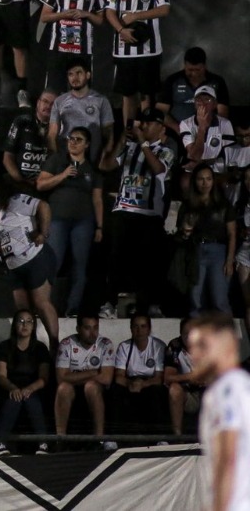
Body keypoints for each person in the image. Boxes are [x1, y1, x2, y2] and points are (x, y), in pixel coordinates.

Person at [100, 109, 178, 318]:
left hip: (149, 213)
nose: (143, 126)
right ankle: (109, 303)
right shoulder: (130, 145)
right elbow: (105, 165)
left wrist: (143, 142)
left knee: (147, 263)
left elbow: (159, 170)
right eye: (142, 123)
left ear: (161, 127)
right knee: (115, 258)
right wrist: (120, 141)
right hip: (124, 209)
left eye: (148, 123)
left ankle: (149, 305)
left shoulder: (167, 147)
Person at [0, 176, 60, 347]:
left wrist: (43, 232)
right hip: (14, 268)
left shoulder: (17, 201)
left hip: (34, 258)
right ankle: (28, 347)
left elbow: (43, 206)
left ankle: (55, 344)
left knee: (41, 303)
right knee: (23, 311)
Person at [37, 125, 105, 317]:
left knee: (80, 265)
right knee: (52, 263)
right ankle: (43, 307)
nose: (73, 142)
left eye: (78, 139)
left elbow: (97, 199)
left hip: (83, 222)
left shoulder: (91, 169)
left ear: (87, 144)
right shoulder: (57, 161)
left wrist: (100, 226)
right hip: (57, 219)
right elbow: (41, 184)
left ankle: (73, 308)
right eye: (70, 138)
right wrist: (63, 175)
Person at [104, 0, 172, 127]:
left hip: (149, 48)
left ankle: (147, 130)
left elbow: (165, 9)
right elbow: (109, 11)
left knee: (147, 94)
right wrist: (121, 30)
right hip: (124, 46)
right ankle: (129, 131)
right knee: (127, 94)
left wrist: (136, 16)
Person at [191, 310, 250, 508]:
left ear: (229, 344)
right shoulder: (240, 385)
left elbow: (228, 458)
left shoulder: (227, 389)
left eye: (203, 345)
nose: (195, 354)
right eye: (192, 347)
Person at [37, 0, 106, 93]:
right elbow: (44, 17)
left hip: (82, 49)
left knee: (82, 91)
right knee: (54, 90)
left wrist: (86, 14)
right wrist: (63, 14)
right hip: (58, 48)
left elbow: (100, 20)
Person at [179, 164, 237, 315]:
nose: (205, 183)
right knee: (195, 299)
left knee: (219, 299)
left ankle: (227, 336)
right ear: (195, 181)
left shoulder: (223, 204)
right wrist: (186, 230)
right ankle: (197, 336)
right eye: (200, 179)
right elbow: (182, 234)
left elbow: (232, 233)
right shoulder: (189, 204)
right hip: (196, 251)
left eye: (208, 179)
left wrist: (230, 260)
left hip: (218, 251)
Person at [54, 314, 118, 451]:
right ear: (78, 328)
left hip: (96, 388)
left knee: (91, 386)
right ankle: (60, 439)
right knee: (63, 388)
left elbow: (106, 378)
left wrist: (74, 375)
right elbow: (61, 378)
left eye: (95, 328)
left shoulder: (105, 344)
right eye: (87, 328)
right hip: (74, 387)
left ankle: (99, 438)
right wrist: (93, 372)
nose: (92, 333)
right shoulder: (66, 344)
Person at [0, 308, 52, 454]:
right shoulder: (4, 347)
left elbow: (44, 378)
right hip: (10, 388)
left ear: (34, 326)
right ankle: (0, 444)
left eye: (29, 322)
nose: (24, 325)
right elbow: (1, 376)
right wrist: (13, 388)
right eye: (21, 321)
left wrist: (30, 389)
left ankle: (43, 444)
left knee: (31, 399)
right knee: (14, 399)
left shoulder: (40, 348)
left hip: (34, 388)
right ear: (15, 325)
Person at [48, 58, 118, 166]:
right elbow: (52, 134)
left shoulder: (101, 101)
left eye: (78, 73)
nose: (74, 78)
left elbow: (108, 132)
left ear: (88, 75)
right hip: (65, 158)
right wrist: (55, 160)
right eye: (70, 74)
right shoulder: (59, 101)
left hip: (91, 158)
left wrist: (103, 158)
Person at [111, 313, 170, 436]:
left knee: (157, 392)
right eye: (136, 327)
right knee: (115, 391)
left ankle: (160, 437)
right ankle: (113, 437)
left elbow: (159, 378)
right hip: (131, 381)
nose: (139, 330)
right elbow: (119, 376)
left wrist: (143, 384)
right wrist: (130, 383)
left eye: (143, 326)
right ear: (131, 329)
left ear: (149, 329)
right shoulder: (124, 347)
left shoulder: (158, 346)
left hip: (150, 382)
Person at [158, 47, 232, 128]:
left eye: (197, 70)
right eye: (190, 70)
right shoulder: (172, 80)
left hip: (210, 130)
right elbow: (161, 111)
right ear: (185, 65)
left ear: (204, 66)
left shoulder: (217, 82)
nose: (194, 74)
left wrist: (210, 130)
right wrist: (179, 130)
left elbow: (222, 113)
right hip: (176, 131)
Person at [164, 316, 207, 439]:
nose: (189, 337)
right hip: (185, 391)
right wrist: (189, 377)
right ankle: (178, 437)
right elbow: (168, 378)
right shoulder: (174, 346)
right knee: (174, 389)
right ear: (180, 333)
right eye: (185, 333)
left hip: (205, 390)